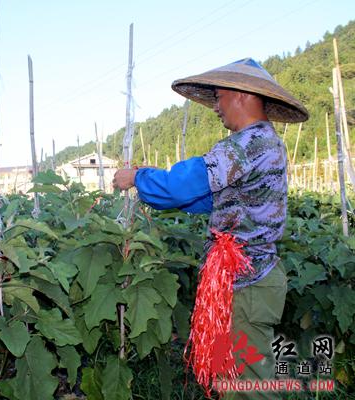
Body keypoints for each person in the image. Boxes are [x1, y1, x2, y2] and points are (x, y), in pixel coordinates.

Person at [113, 58, 308, 399]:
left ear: (242, 95)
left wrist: (139, 178)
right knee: (235, 376)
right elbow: (207, 198)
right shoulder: (262, 144)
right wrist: (154, 185)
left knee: (251, 385)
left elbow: (188, 182)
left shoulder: (249, 144)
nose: (216, 107)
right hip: (248, 279)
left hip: (248, 283)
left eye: (218, 97)